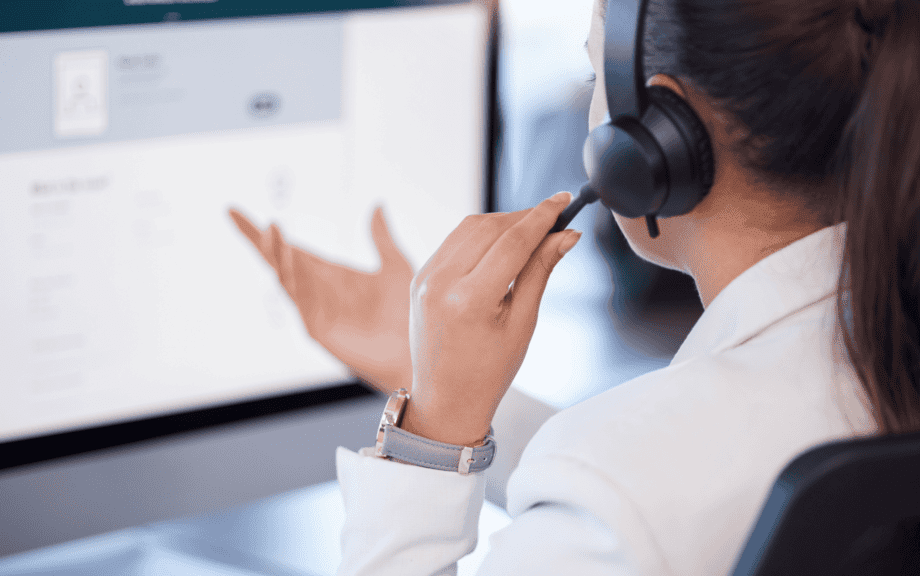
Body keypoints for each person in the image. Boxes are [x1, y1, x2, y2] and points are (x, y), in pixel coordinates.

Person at [229, 0, 920, 573]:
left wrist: (430, 436)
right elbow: (657, 471)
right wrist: (428, 373)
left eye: (595, 77)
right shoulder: (881, 339)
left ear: (660, 136)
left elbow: (633, 485)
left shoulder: (622, 484)